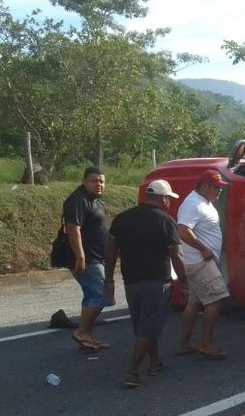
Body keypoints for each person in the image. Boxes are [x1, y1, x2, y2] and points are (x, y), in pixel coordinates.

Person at [104, 180, 187, 388]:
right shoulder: (165, 221)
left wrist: (108, 279)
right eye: (169, 198)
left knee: (145, 324)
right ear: (162, 198)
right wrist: (185, 282)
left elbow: (111, 251)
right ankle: (132, 371)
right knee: (149, 326)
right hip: (157, 280)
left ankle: (155, 362)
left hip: (131, 281)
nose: (170, 202)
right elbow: (176, 256)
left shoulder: (122, 218)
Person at [176, 169, 231, 360]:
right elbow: (182, 230)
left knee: (194, 302)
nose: (220, 191)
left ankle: (184, 343)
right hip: (200, 261)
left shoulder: (202, 202)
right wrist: (203, 249)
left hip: (197, 261)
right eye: (217, 187)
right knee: (217, 298)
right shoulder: (193, 204)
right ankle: (205, 343)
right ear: (205, 186)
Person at [63, 166, 113, 352]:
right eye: (94, 181)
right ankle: (82, 331)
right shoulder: (77, 200)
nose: (98, 184)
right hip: (87, 259)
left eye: (101, 181)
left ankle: (86, 336)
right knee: (102, 295)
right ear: (84, 181)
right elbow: (72, 228)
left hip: (98, 257)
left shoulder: (96, 201)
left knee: (92, 295)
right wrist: (80, 256)